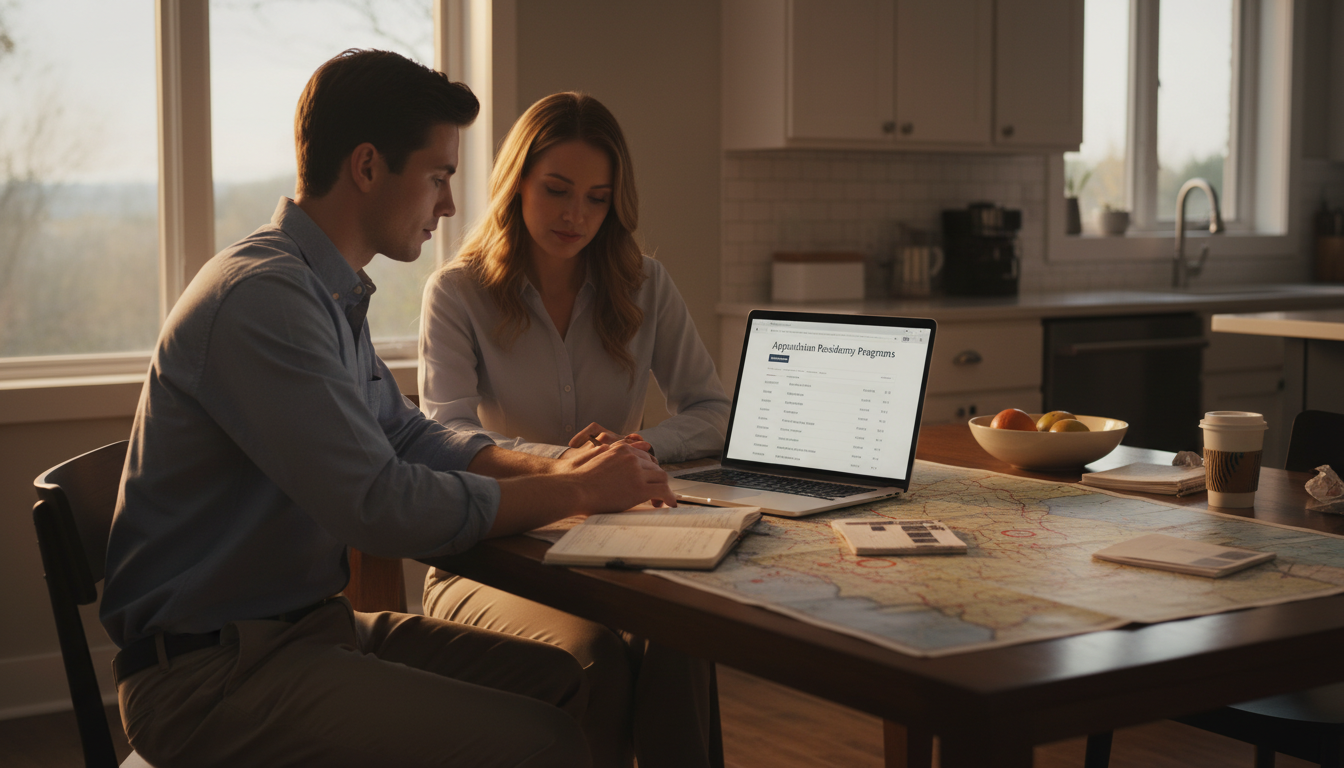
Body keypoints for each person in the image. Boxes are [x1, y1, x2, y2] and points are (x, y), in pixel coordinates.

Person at [100, 50, 673, 768]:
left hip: (309, 633)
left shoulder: (324, 291)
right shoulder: (264, 299)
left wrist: (558, 466)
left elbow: (405, 435)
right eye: (438, 177)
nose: (449, 204)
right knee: (547, 740)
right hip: (212, 676)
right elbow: (379, 503)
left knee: (568, 681)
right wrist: (579, 490)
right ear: (368, 167)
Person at [417, 92, 730, 768]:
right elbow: (447, 437)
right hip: (493, 558)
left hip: (618, 548)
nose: (575, 215)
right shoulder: (457, 293)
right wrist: (571, 468)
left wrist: (641, 449)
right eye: (557, 189)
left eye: (597, 198)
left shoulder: (647, 285)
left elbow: (712, 409)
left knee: (685, 636)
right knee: (594, 659)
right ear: (516, 182)